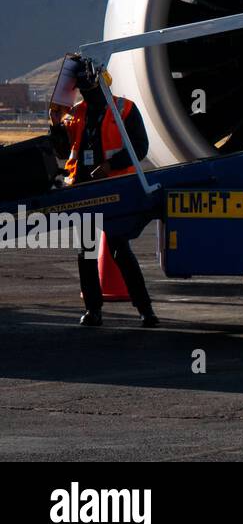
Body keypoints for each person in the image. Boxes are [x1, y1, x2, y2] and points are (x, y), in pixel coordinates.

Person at [48, 57, 159, 328]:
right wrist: (54, 123)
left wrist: (110, 165)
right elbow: (63, 151)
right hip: (83, 189)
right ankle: (94, 311)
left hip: (115, 189)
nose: (85, 90)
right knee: (86, 251)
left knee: (119, 249)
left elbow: (140, 147)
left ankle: (145, 310)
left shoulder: (125, 109)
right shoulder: (75, 113)